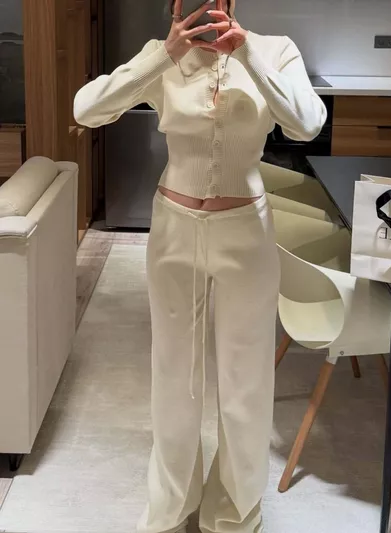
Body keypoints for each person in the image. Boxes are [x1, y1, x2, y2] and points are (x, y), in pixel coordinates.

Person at [74, 0, 327, 531]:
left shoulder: (275, 51)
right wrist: (163, 56)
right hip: (174, 232)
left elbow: (307, 124)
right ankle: (171, 504)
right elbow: (86, 109)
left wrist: (247, 53)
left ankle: (234, 511)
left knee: (244, 380)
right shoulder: (161, 55)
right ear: (174, 5)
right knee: (174, 375)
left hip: (246, 233)